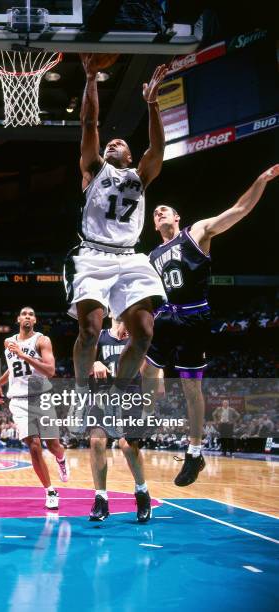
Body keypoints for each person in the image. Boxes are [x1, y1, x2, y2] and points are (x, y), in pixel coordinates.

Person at [143, 164, 279, 485]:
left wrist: (261, 179)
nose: (159, 212)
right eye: (155, 213)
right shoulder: (150, 256)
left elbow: (240, 209)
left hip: (194, 315)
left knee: (192, 389)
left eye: (166, 210)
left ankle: (194, 453)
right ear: (154, 226)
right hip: (167, 315)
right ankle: (143, 417)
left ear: (177, 218)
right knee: (146, 368)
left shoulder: (196, 232)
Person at [63, 54, 168, 422]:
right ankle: (80, 395)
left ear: (129, 155)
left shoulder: (141, 175)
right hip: (92, 254)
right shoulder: (93, 169)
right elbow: (89, 121)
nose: (113, 143)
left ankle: (117, 395)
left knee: (143, 335)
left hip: (129, 257)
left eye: (120, 143)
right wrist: (91, 78)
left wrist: (152, 104)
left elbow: (158, 149)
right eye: (111, 143)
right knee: (90, 330)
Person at [0, 307, 69, 510]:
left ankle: (61, 459)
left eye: (31, 314)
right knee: (34, 445)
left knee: (53, 445)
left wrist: (24, 355)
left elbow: (51, 370)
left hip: (41, 396)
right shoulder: (8, 342)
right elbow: (13, 368)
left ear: (34, 320)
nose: (27, 316)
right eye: (24, 314)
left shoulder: (42, 341)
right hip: (18, 399)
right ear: (18, 318)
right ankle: (50, 491)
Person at [87, 315, 152, 522]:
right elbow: (82, 362)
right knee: (96, 441)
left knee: (127, 446)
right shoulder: (99, 336)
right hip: (103, 394)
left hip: (131, 395)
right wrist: (95, 362)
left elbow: (150, 364)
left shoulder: (137, 335)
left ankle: (142, 492)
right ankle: (101, 500)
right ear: (110, 311)